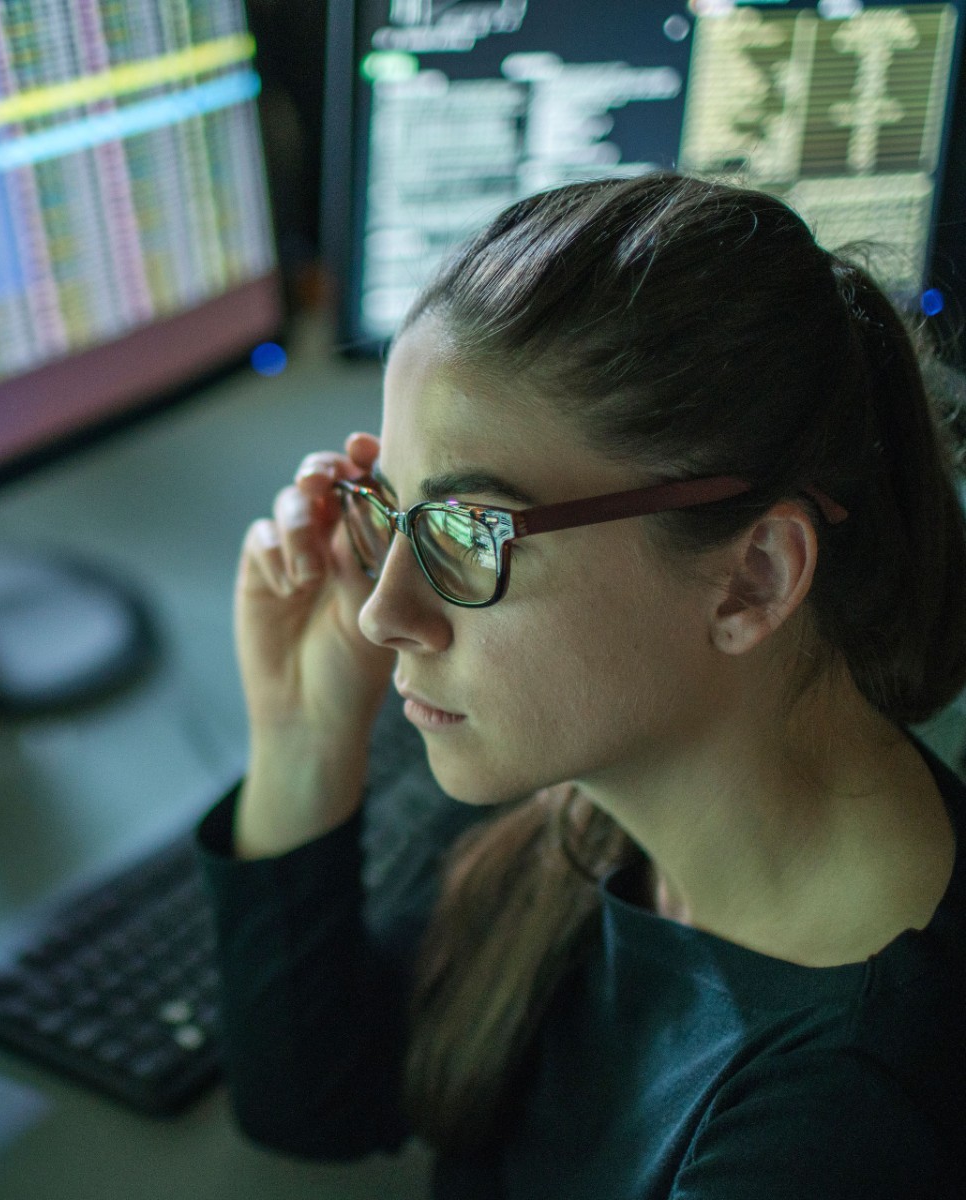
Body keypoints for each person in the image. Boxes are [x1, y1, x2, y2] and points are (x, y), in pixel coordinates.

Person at [197, 172, 966, 1198]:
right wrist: (303, 737)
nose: (385, 614)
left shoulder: (845, 1128)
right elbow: (321, 1102)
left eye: (474, 532)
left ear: (754, 578)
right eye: (390, 510)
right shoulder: (596, 803)